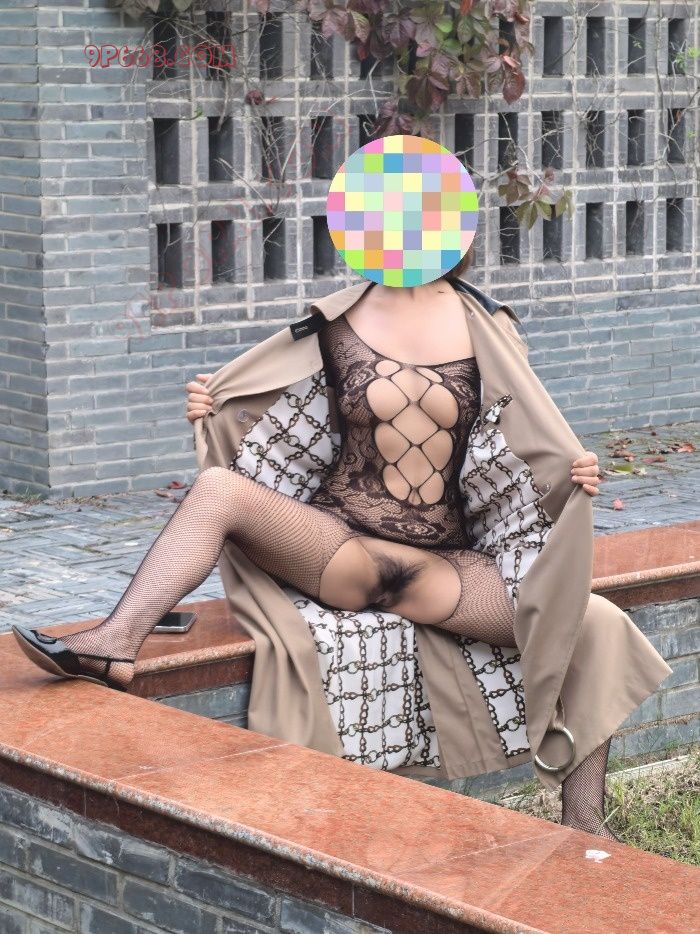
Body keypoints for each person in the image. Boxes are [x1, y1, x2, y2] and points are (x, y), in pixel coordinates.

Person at [12, 245, 616, 841]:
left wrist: (575, 471)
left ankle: (585, 826)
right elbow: (275, 406)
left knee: (590, 622)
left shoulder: (491, 325)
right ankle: (114, 643)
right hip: (341, 544)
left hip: (447, 563)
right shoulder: (331, 320)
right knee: (218, 490)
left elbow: (526, 436)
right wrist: (213, 403)